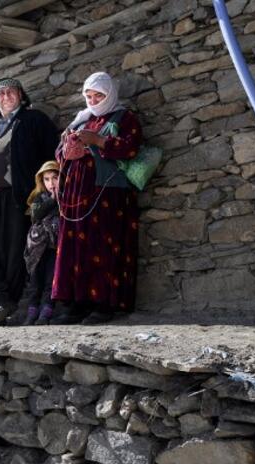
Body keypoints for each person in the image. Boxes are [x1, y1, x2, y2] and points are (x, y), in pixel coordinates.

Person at [0, 77, 59, 326]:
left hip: (16, 197)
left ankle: (6, 306)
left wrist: (48, 188)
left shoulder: (34, 120)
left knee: (13, 254)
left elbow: (54, 152)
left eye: (10, 92)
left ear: (20, 95)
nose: (5, 96)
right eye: (0, 93)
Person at [52, 72, 143, 325]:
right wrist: (67, 150)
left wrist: (98, 140)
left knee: (102, 244)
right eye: (89, 96)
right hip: (76, 193)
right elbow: (60, 154)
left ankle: (103, 304)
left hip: (107, 192)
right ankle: (76, 304)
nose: (93, 100)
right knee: (75, 248)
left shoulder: (125, 118)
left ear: (110, 94)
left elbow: (130, 148)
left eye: (98, 95)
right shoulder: (80, 120)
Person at [16, 161, 60, 326]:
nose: (51, 183)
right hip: (37, 248)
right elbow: (35, 216)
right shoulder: (39, 197)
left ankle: (45, 314)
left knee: (51, 281)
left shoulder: (67, 197)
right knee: (35, 283)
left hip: (54, 247)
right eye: (47, 179)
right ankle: (31, 314)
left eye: (55, 178)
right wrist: (52, 200)